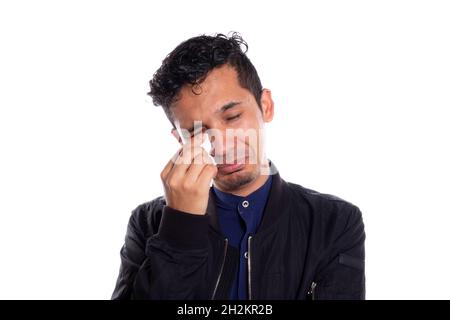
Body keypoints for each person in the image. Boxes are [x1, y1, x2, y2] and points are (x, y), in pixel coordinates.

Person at [111, 32, 365, 300]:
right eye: (197, 131)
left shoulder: (335, 221)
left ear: (265, 106)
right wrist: (180, 230)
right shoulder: (148, 224)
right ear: (180, 140)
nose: (222, 145)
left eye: (232, 117)